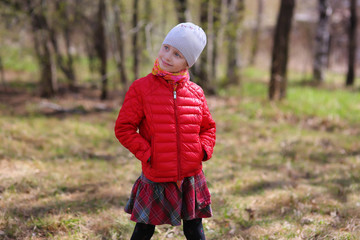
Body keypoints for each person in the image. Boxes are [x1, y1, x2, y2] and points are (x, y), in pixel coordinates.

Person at [114, 22, 216, 240]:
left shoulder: (196, 93)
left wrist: (203, 151)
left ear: (188, 62)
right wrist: (148, 153)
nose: (168, 56)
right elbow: (124, 128)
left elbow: (208, 127)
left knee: (194, 229)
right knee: (144, 229)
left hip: (190, 175)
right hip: (156, 174)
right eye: (166, 47)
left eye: (177, 54)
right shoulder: (141, 88)